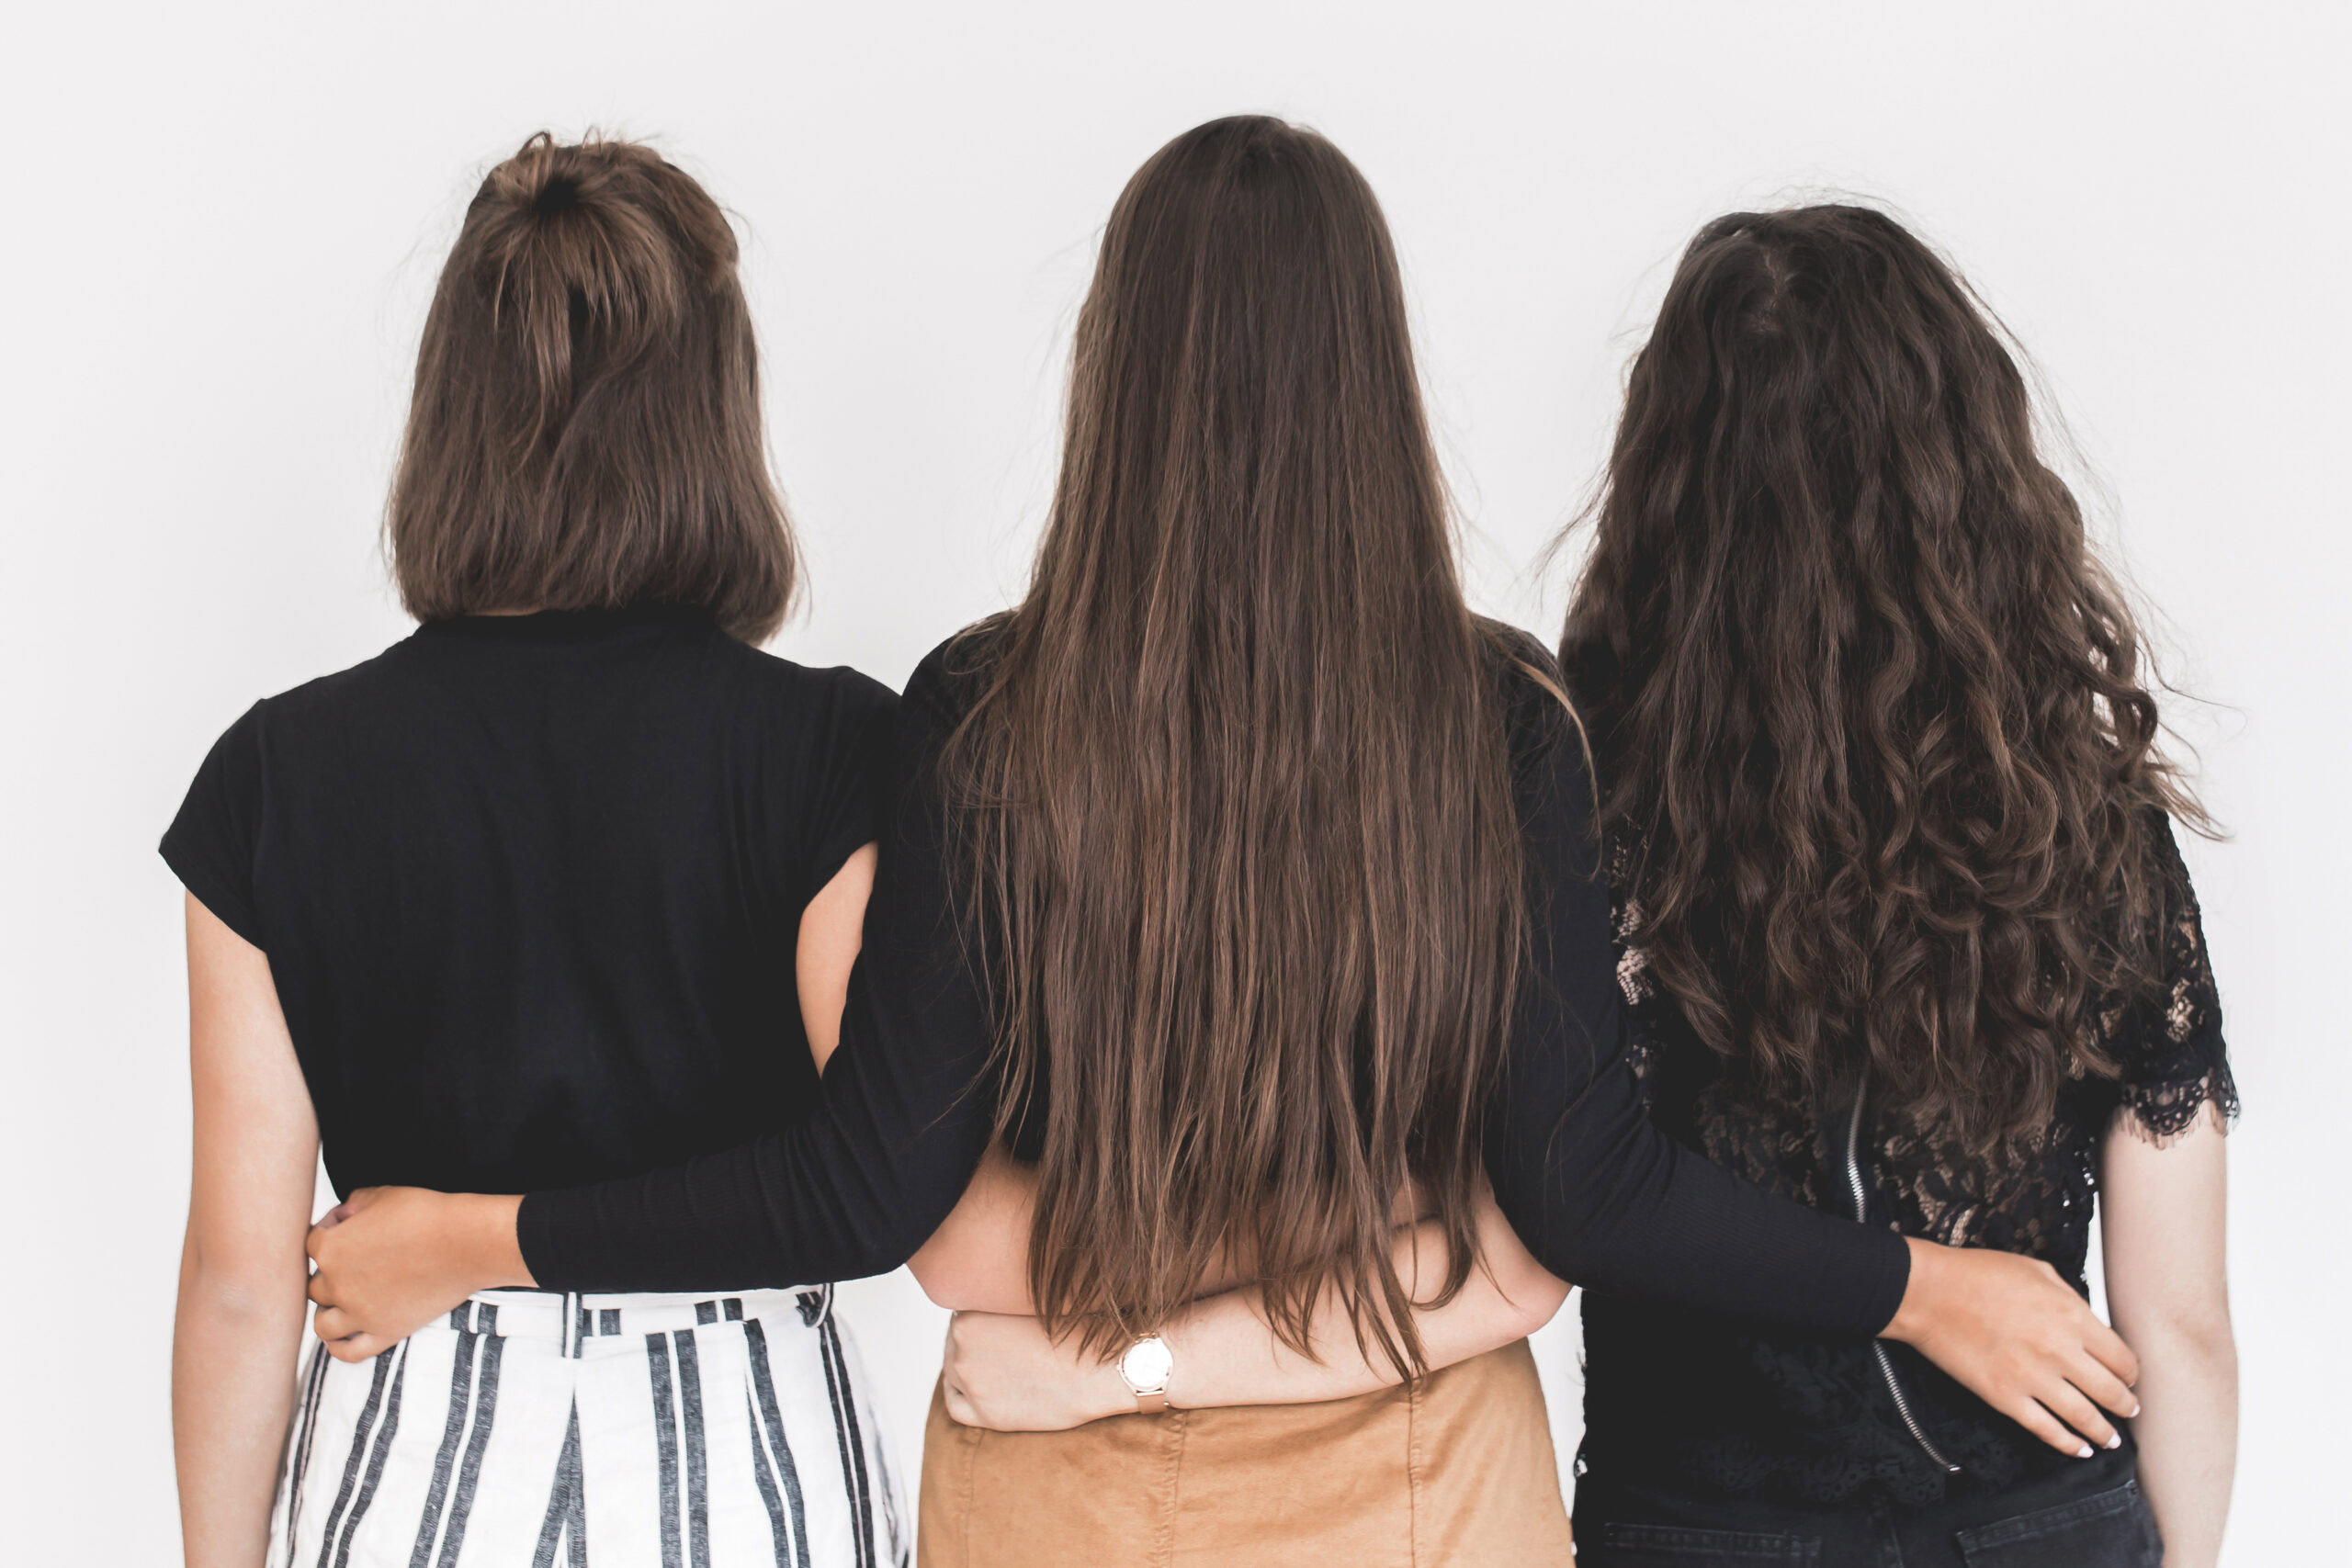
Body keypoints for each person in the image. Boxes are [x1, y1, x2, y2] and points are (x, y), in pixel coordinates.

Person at [302, 123, 2141, 1566]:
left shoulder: (976, 717)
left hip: (1056, 1508)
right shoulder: (1497, 724)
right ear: (1371, 374)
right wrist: (1908, 1283)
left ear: (1112, 368)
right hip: (1426, 1511)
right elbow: (1557, 1210)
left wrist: (484, 1233)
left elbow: (905, 1213)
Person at [164, 133, 906, 1568]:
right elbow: (858, 1169)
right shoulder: (831, 754)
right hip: (745, 1443)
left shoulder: (279, 777)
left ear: (449, 410)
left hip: (418, 1433)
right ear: (714, 411)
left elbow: (244, 1282)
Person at [1552, 206, 2237, 1566]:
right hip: (2040, 1519)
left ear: (1671, 482)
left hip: (1696, 1527)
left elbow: (1578, 1192)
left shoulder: (1592, 812)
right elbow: (2184, 1320)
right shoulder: (2088, 826)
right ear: (1969, 473)